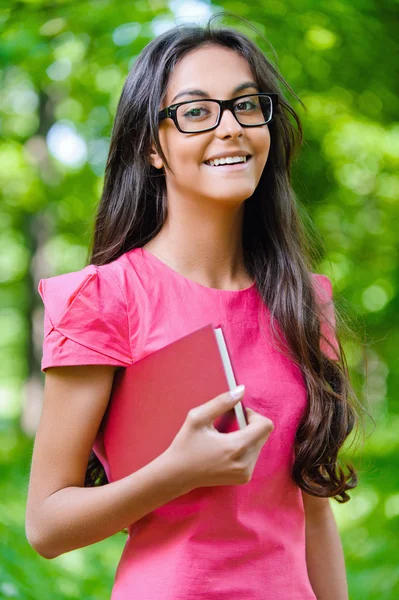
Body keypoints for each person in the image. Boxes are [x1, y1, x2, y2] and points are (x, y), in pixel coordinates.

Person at [26, 14, 362, 600]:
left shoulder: (306, 302)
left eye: (246, 106)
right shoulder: (105, 299)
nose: (230, 128)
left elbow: (312, 513)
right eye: (196, 111)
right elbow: (47, 525)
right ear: (153, 146)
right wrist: (177, 473)